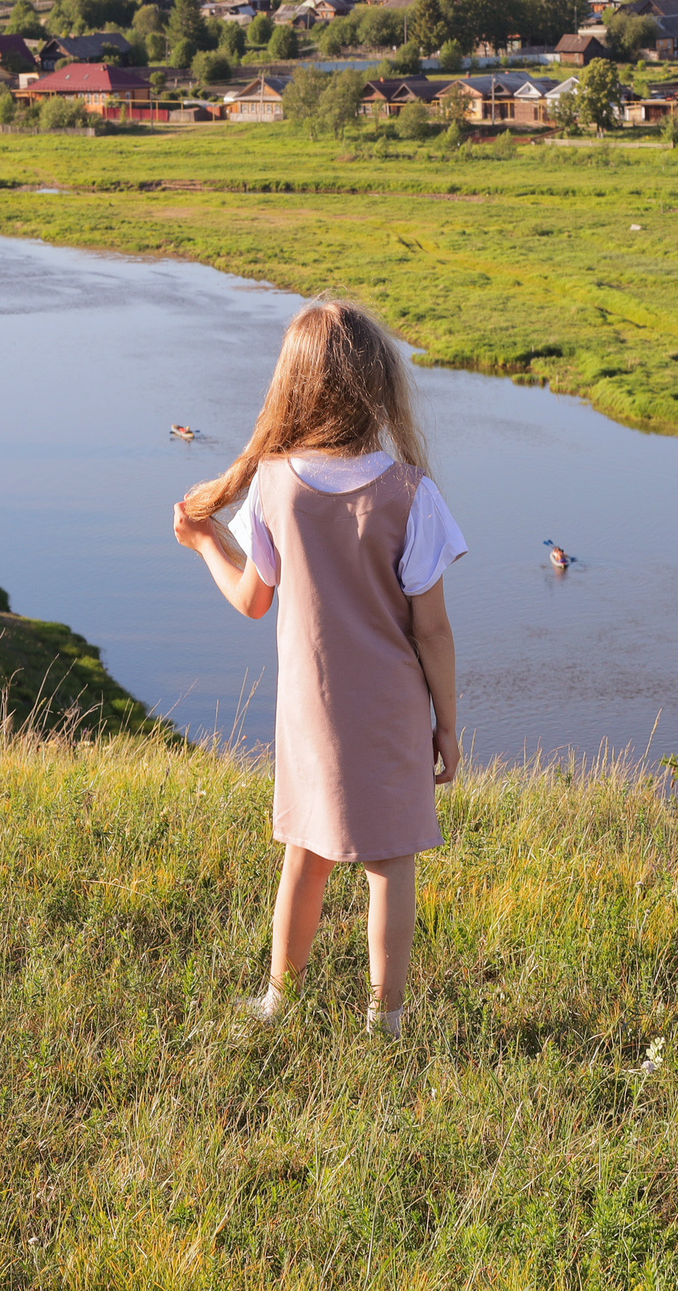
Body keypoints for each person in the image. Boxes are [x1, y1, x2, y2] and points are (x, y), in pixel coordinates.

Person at [171, 300, 466, 1037]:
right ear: (380, 384)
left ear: (294, 386)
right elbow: (431, 629)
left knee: (304, 852)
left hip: (309, 707)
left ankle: (279, 999)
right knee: (390, 861)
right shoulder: (410, 492)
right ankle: (386, 1017)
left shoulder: (275, 482)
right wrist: (448, 725)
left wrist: (205, 543)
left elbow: (252, 600)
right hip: (392, 709)